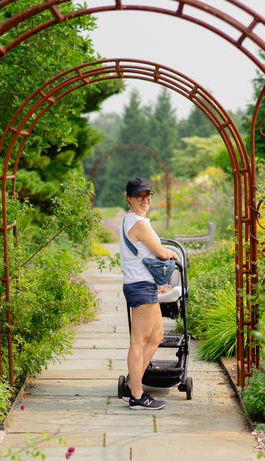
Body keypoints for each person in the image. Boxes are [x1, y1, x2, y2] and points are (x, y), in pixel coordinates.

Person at [119, 176, 179, 410]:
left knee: (155, 337)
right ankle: (136, 395)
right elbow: (161, 253)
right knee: (139, 342)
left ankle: (133, 384)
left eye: (148, 196)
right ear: (129, 198)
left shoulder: (132, 220)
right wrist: (171, 254)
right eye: (140, 196)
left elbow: (145, 254)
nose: (145, 200)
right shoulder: (139, 223)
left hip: (144, 285)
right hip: (140, 287)